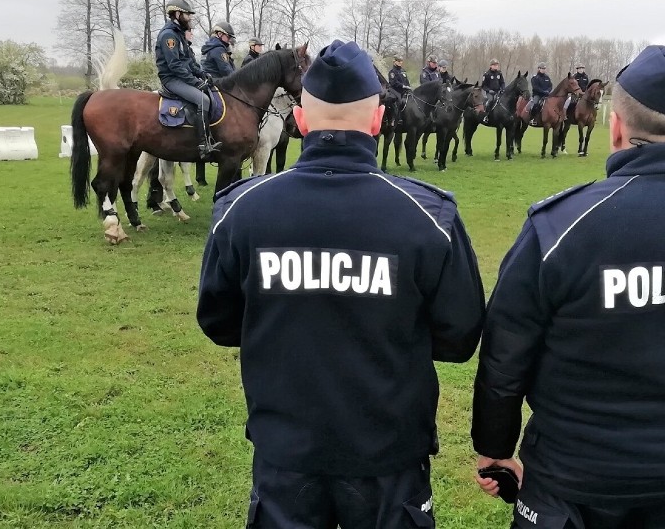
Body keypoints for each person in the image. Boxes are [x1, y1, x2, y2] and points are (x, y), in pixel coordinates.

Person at [472, 45, 665, 528]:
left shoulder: (559, 227)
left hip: (570, 474)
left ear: (614, 126)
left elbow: (505, 353)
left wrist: (494, 448)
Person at [197, 38, 485, 528]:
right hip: (387, 451)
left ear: (302, 122)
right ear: (376, 122)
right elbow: (459, 337)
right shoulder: (428, 215)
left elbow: (220, 322)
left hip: (286, 450)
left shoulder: (242, 208)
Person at [154, 0, 221, 161]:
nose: (190, 18)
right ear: (177, 14)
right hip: (171, 79)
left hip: (180, 76)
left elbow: (189, 62)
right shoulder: (169, 35)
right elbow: (174, 65)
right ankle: (203, 145)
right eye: (187, 14)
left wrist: (202, 75)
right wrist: (195, 82)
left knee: (210, 94)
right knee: (203, 99)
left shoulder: (178, 34)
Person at [196, 22, 237, 186]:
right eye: (228, 36)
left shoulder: (215, 47)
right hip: (215, 84)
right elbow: (228, 73)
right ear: (219, 34)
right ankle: (210, 137)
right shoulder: (218, 49)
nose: (229, 40)